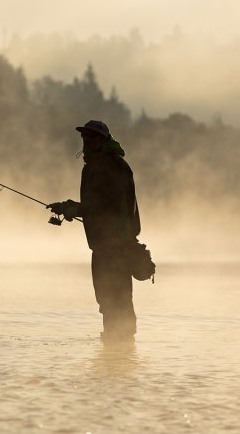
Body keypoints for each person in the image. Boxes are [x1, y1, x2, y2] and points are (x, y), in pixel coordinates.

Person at [48, 120, 150, 343]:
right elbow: (97, 205)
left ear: (102, 139)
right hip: (104, 246)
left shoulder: (112, 166)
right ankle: (115, 348)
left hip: (116, 246)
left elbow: (107, 206)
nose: (86, 141)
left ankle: (120, 345)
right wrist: (69, 206)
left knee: (118, 299)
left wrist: (73, 208)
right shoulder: (98, 165)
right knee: (107, 299)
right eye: (84, 137)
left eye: (91, 137)